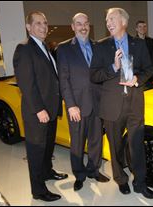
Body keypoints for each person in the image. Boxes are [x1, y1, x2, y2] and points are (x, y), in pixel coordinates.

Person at [90, 7, 153, 199]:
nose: (108, 22)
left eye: (112, 18)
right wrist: (114, 67)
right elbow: (94, 75)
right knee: (116, 146)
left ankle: (140, 183)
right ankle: (121, 179)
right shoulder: (101, 46)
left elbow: (149, 69)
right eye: (106, 19)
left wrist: (137, 79)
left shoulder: (139, 44)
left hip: (135, 102)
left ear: (124, 22)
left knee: (137, 145)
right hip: (112, 105)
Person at [13, 11, 67, 202]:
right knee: (36, 152)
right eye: (38, 23)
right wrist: (38, 109)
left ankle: (47, 172)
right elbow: (26, 83)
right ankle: (38, 190)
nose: (43, 26)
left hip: (50, 109)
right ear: (28, 27)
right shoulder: (25, 49)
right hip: (38, 113)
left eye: (45, 23)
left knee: (47, 147)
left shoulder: (44, 46)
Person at [56, 13, 109, 192]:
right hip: (77, 105)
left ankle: (93, 170)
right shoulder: (64, 49)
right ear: (73, 26)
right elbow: (63, 80)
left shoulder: (97, 46)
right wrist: (70, 105)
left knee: (96, 140)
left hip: (97, 103)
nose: (83, 27)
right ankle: (79, 175)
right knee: (77, 143)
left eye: (86, 23)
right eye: (79, 24)